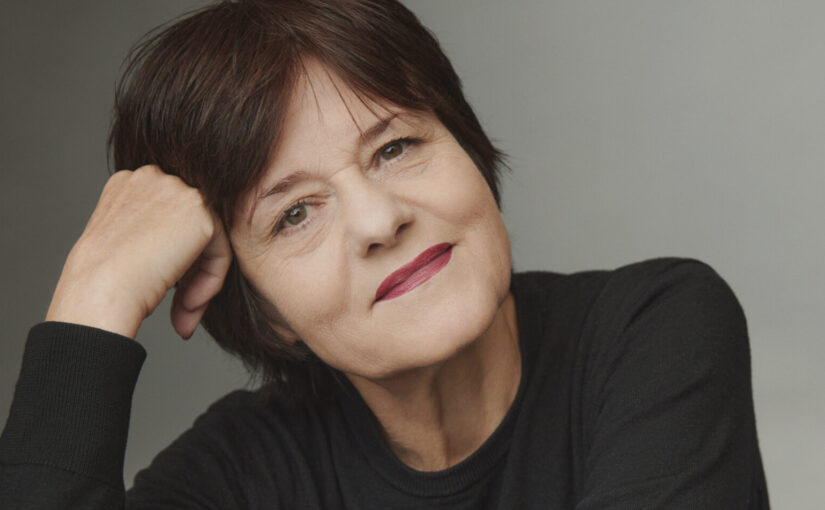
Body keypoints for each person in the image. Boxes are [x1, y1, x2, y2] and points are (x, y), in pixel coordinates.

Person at [0, 0, 769, 508]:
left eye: (395, 147)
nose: (379, 219)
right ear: (264, 312)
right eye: (294, 214)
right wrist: (94, 297)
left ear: (466, 147)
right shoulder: (238, 473)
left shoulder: (652, 330)